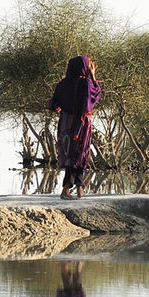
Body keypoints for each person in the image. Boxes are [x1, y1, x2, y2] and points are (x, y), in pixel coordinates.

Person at [49, 56, 102, 200]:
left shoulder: (62, 83)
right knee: (79, 154)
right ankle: (67, 189)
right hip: (80, 123)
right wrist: (93, 76)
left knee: (72, 155)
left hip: (65, 122)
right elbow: (96, 95)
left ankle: (79, 188)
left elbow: (54, 104)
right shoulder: (85, 83)